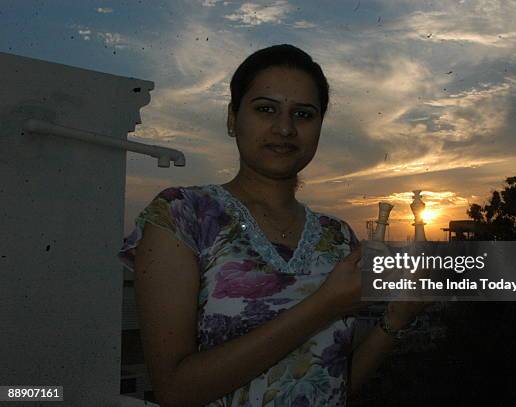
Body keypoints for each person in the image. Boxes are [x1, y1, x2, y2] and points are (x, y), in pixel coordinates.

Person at [118, 44, 424, 407]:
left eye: (304, 115)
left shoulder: (337, 236)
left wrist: (397, 317)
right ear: (232, 119)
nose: (284, 128)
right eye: (265, 109)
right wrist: (325, 305)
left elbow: (333, 384)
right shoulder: (182, 216)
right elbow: (174, 390)